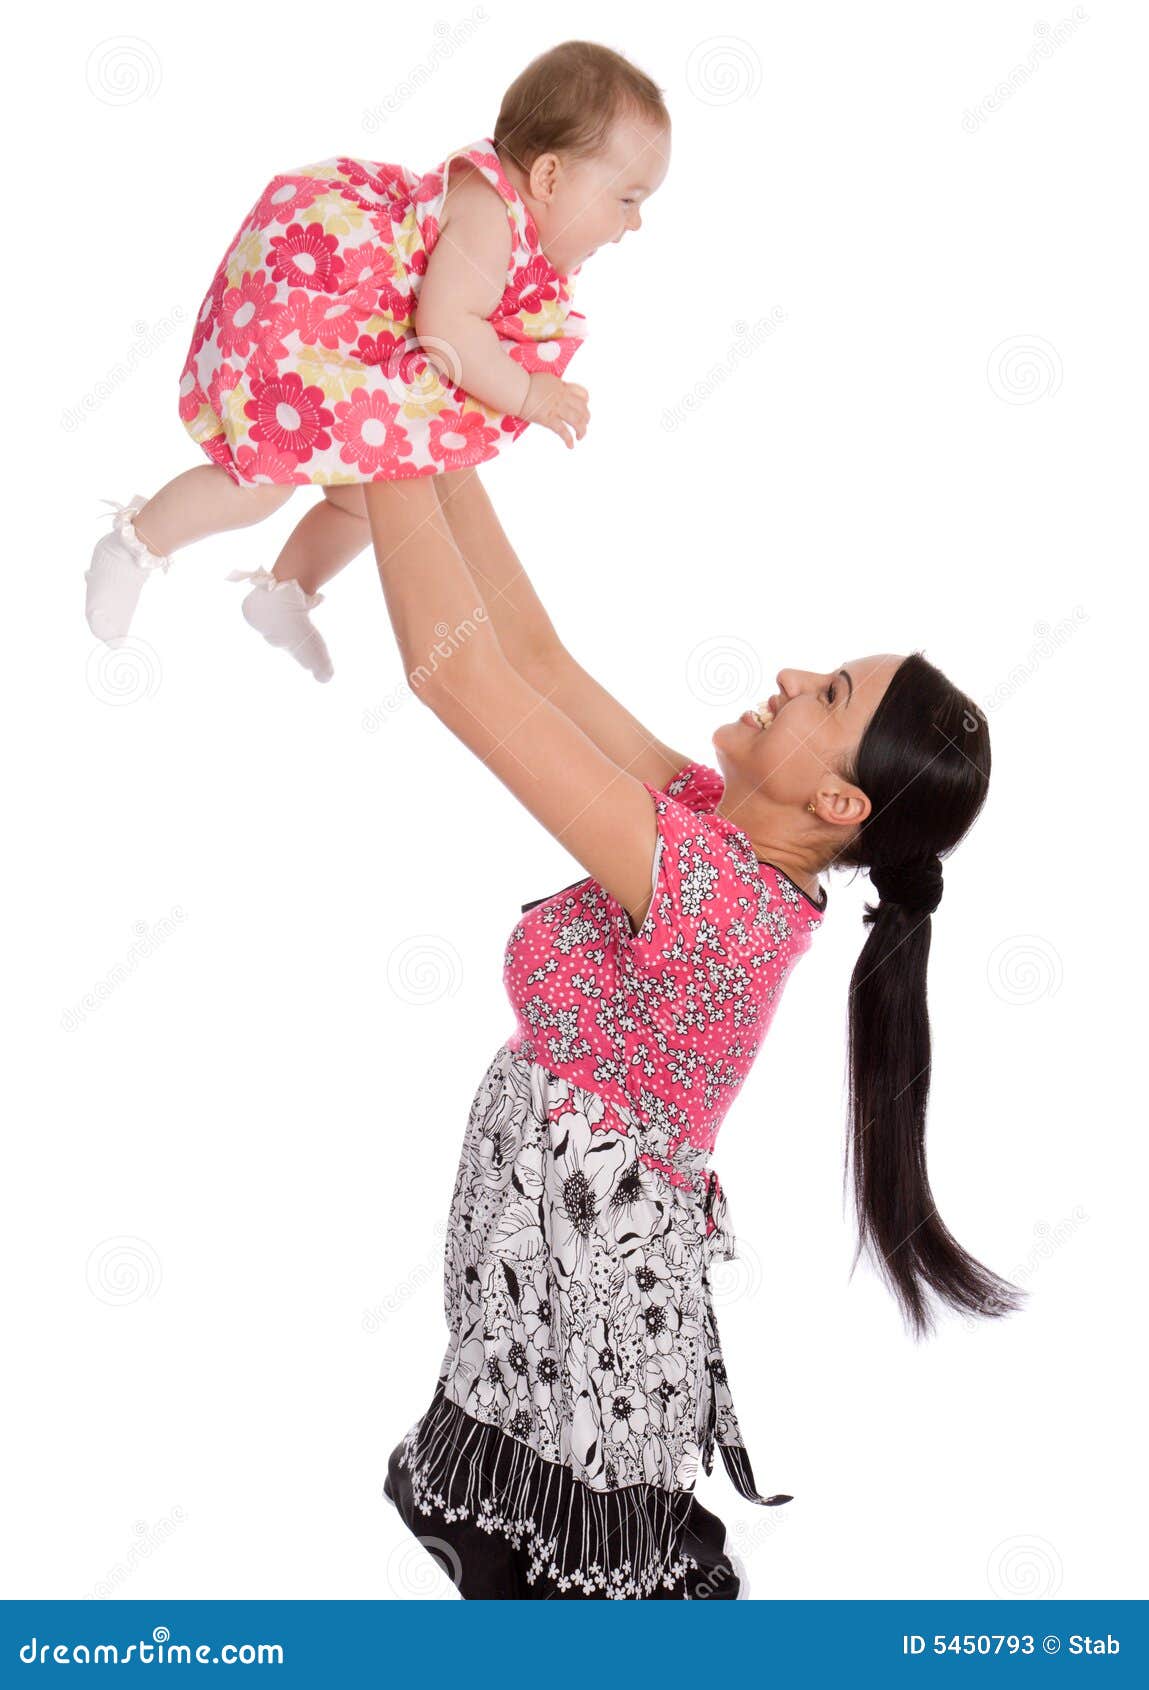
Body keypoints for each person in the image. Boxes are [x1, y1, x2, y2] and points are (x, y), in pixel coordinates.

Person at [366, 465, 1026, 1599]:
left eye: (827, 696)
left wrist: (373, 436)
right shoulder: (709, 828)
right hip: (549, 1290)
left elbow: (460, 680)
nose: (789, 674)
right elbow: (534, 660)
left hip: (586, 1312)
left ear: (839, 807)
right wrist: (441, 438)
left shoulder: (712, 898)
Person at [83, 39, 670, 681]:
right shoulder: (489, 214)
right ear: (550, 177)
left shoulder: (512, 217)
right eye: (626, 199)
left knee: (365, 499)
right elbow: (448, 327)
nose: (635, 223)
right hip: (309, 315)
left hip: (357, 342)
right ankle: (134, 544)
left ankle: (283, 593)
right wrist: (531, 393)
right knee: (262, 482)